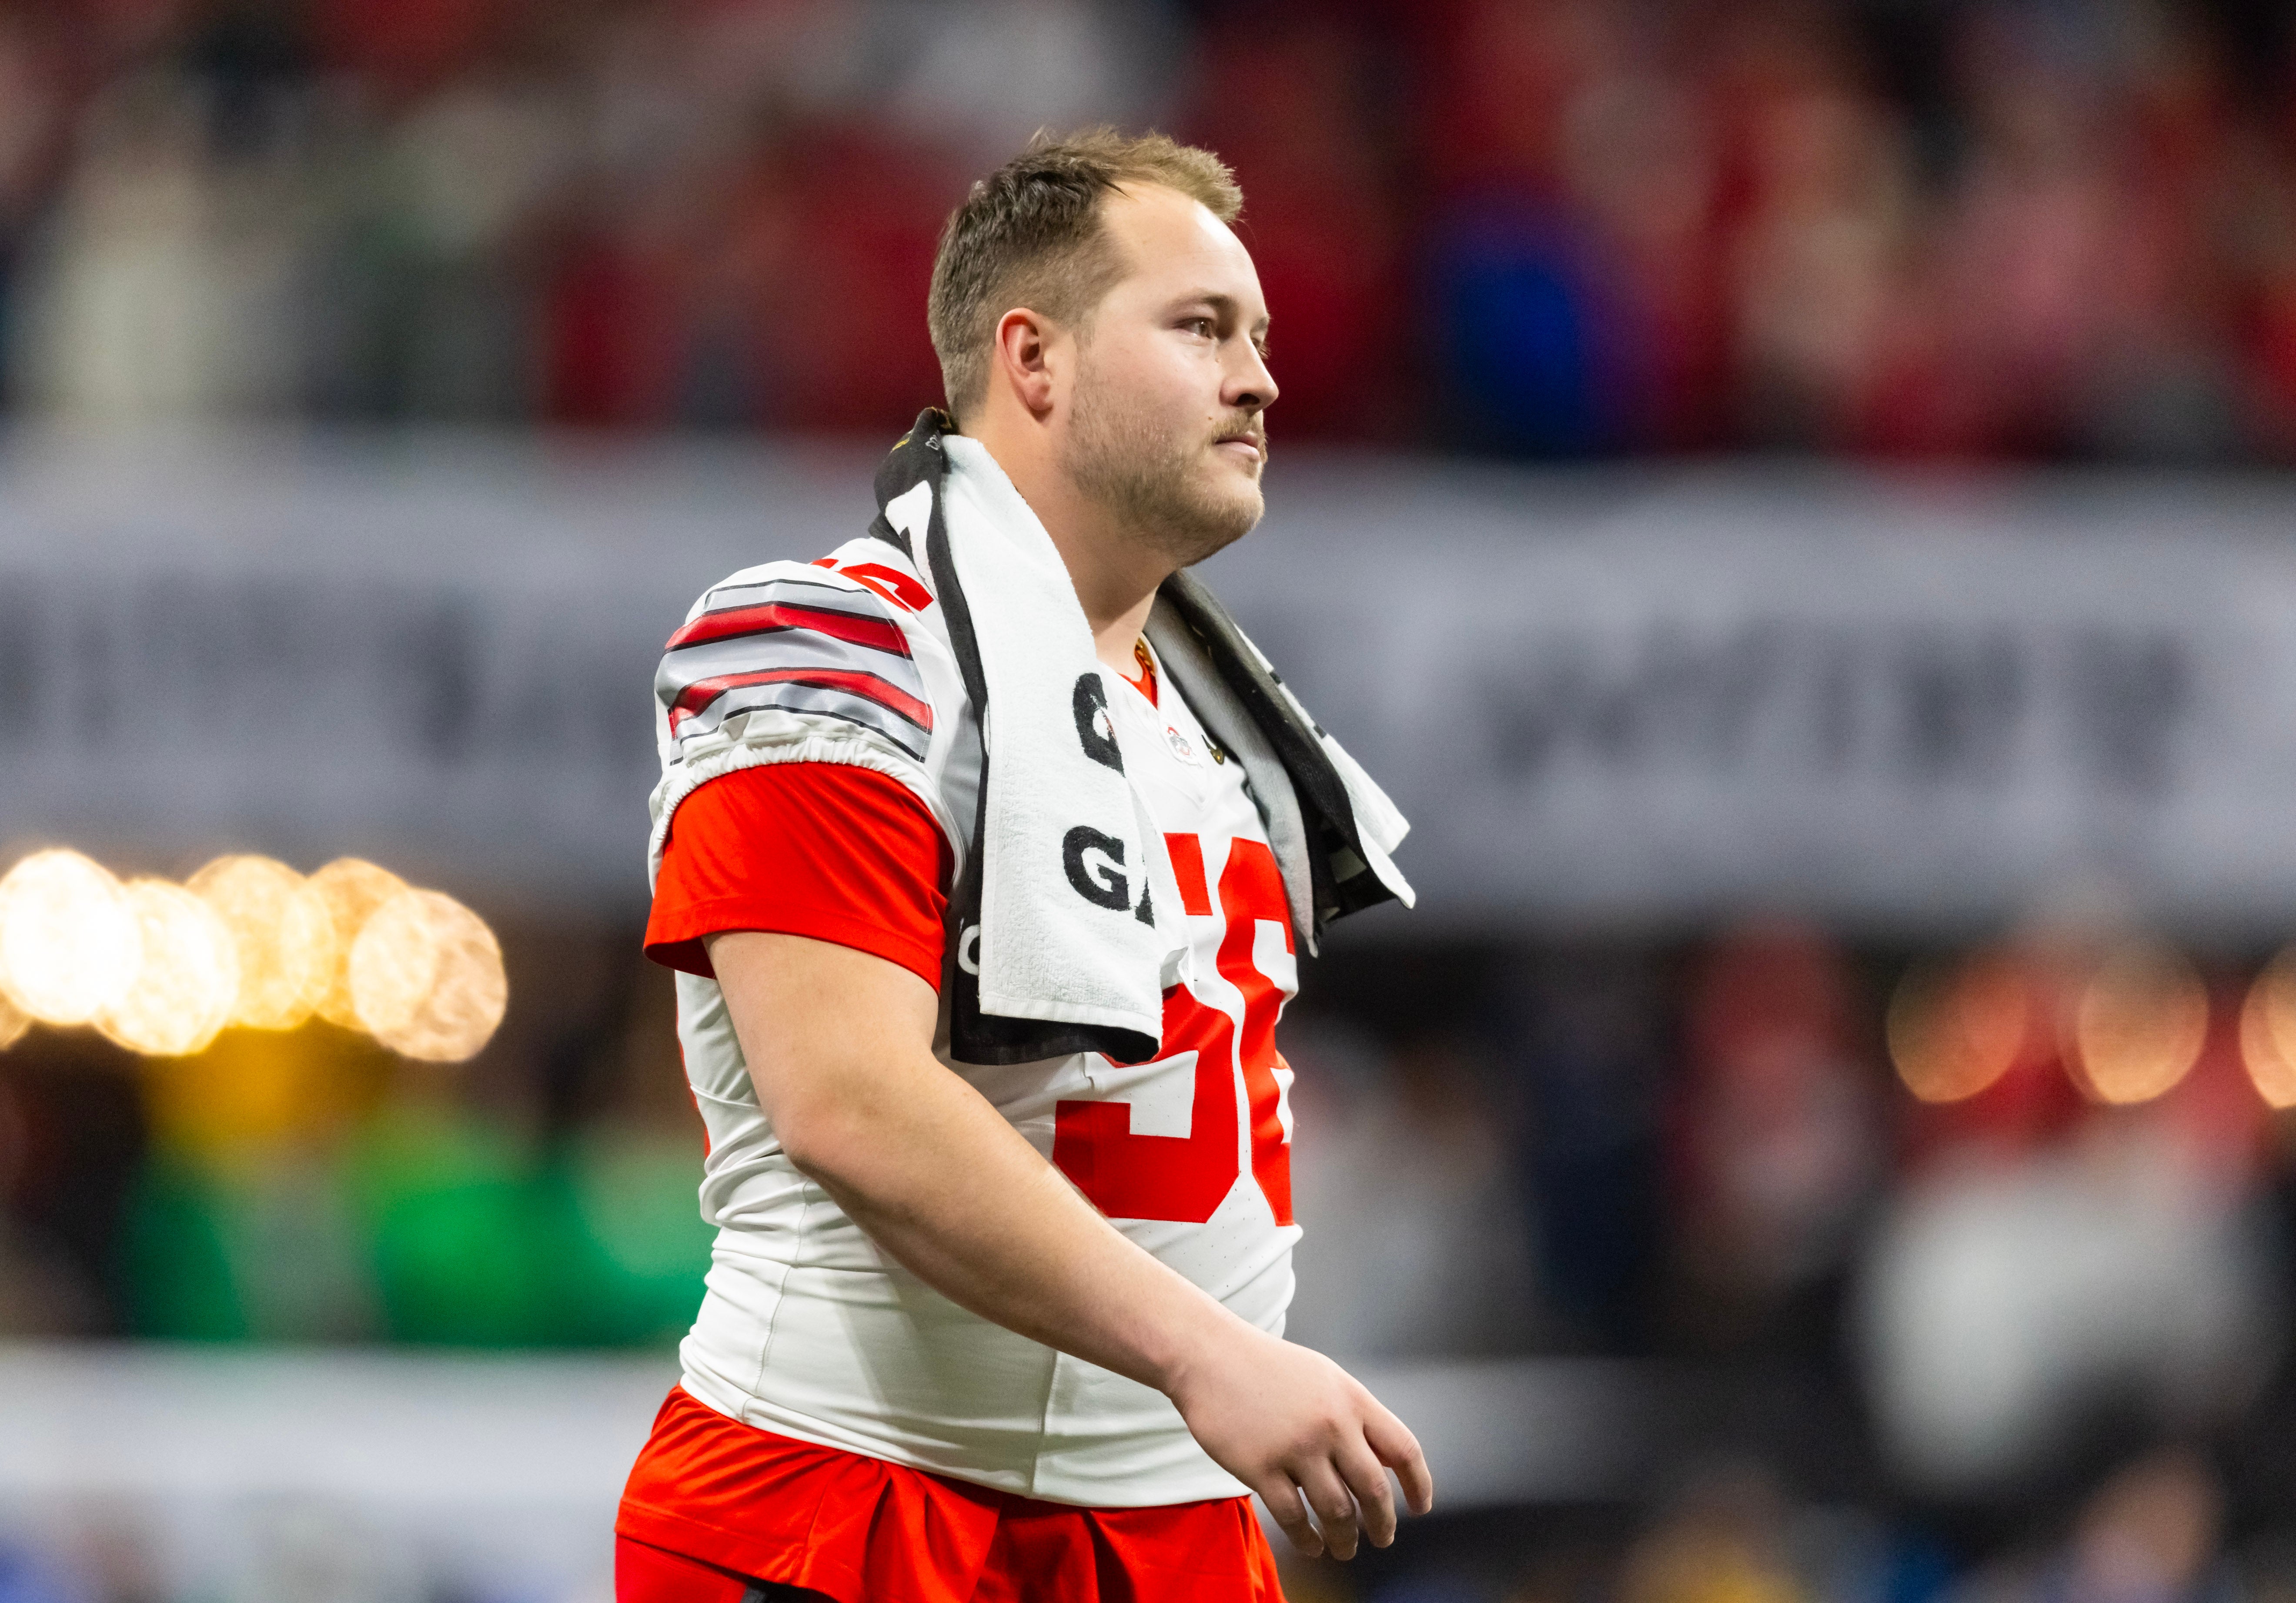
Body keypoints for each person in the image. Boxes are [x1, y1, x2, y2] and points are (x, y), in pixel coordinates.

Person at [615, 127, 1432, 1603]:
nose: (1259, 380)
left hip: (1172, 1522)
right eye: (1201, 328)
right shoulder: (835, 640)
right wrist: (1206, 1353)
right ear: (1033, 360)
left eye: (1258, 337)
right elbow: (849, 1099)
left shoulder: (1218, 717)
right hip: (852, 1499)